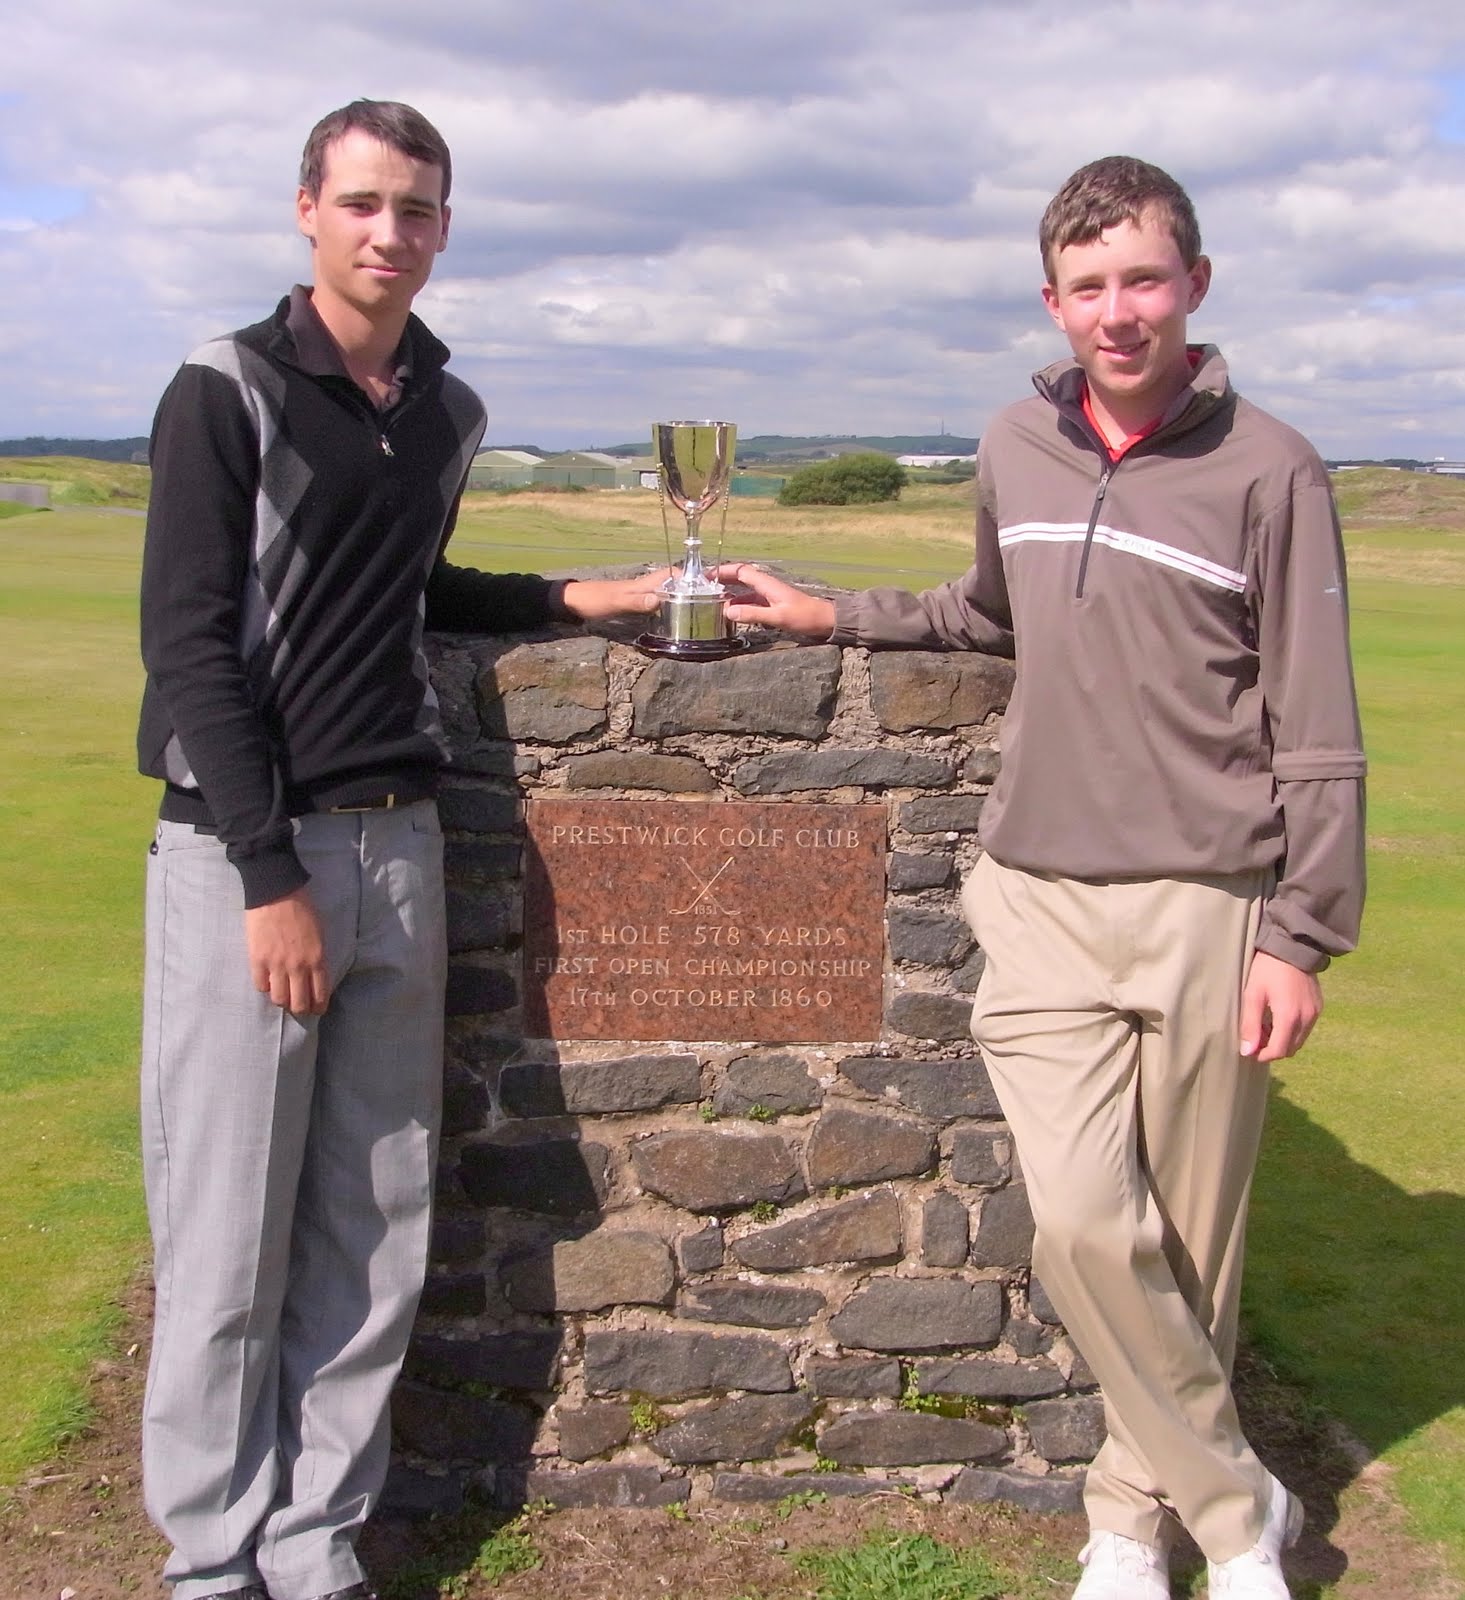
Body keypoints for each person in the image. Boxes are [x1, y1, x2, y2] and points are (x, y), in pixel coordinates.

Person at [723, 155, 1365, 1600]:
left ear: (1192, 287)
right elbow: (978, 614)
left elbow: (1315, 729)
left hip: (1211, 905)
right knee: (1081, 1221)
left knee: (1188, 1252)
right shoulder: (1015, 440)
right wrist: (830, 612)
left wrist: (1300, 935)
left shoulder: (1273, 468)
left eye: (1142, 280)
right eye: (1089, 287)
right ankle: (1236, 1509)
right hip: (1040, 896)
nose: (1116, 312)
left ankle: (1129, 1528)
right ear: (1052, 300)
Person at [135, 99, 662, 1600]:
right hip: (252, 859)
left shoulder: (445, 408)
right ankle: (209, 1555)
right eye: (363, 202)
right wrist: (266, 874)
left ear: (444, 225)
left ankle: (315, 1542)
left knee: (375, 1219)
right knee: (229, 1225)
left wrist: (577, 596)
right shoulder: (224, 386)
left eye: (418, 208)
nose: (391, 233)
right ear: (307, 208)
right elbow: (188, 646)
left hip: (401, 849)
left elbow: (410, 586)